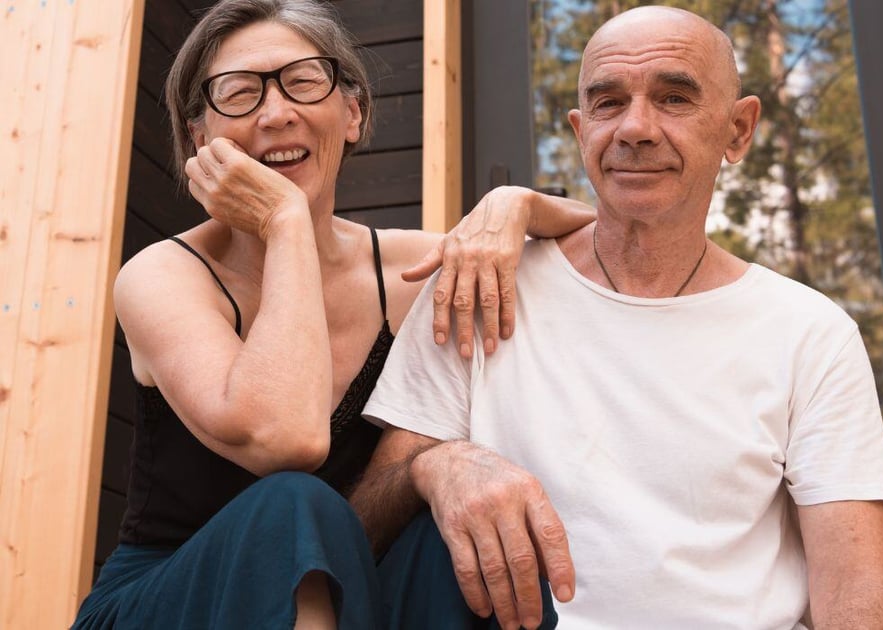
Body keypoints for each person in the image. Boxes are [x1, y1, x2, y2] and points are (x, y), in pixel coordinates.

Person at [355, 6, 883, 629]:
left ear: (738, 129)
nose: (636, 128)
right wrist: (437, 464)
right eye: (608, 102)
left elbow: (859, 585)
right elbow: (367, 525)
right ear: (579, 129)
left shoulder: (809, 331)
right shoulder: (479, 286)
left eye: (675, 98)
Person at [72, 0, 594, 628]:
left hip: (347, 593)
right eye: (238, 93)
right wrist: (286, 223)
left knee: (467, 539)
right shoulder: (164, 276)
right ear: (200, 139)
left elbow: (612, 247)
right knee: (295, 503)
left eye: (303, 81)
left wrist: (513, 205)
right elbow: (287, 438)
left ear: (352, 113)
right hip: (171, 598)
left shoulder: (409, 269)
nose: (275, 112)